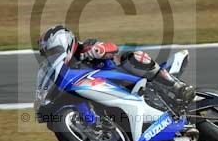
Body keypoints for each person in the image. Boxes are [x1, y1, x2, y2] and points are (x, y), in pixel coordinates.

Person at [38, 25, 195, 106]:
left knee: (133, 57)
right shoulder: (62, 73)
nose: (53, 56)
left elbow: (113, 47)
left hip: (122, 78)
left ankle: (176, 86)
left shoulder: (86, 46)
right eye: (49, 54)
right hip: (103, 95)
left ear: (65, 43)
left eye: (54, 51)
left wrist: (98, 51)